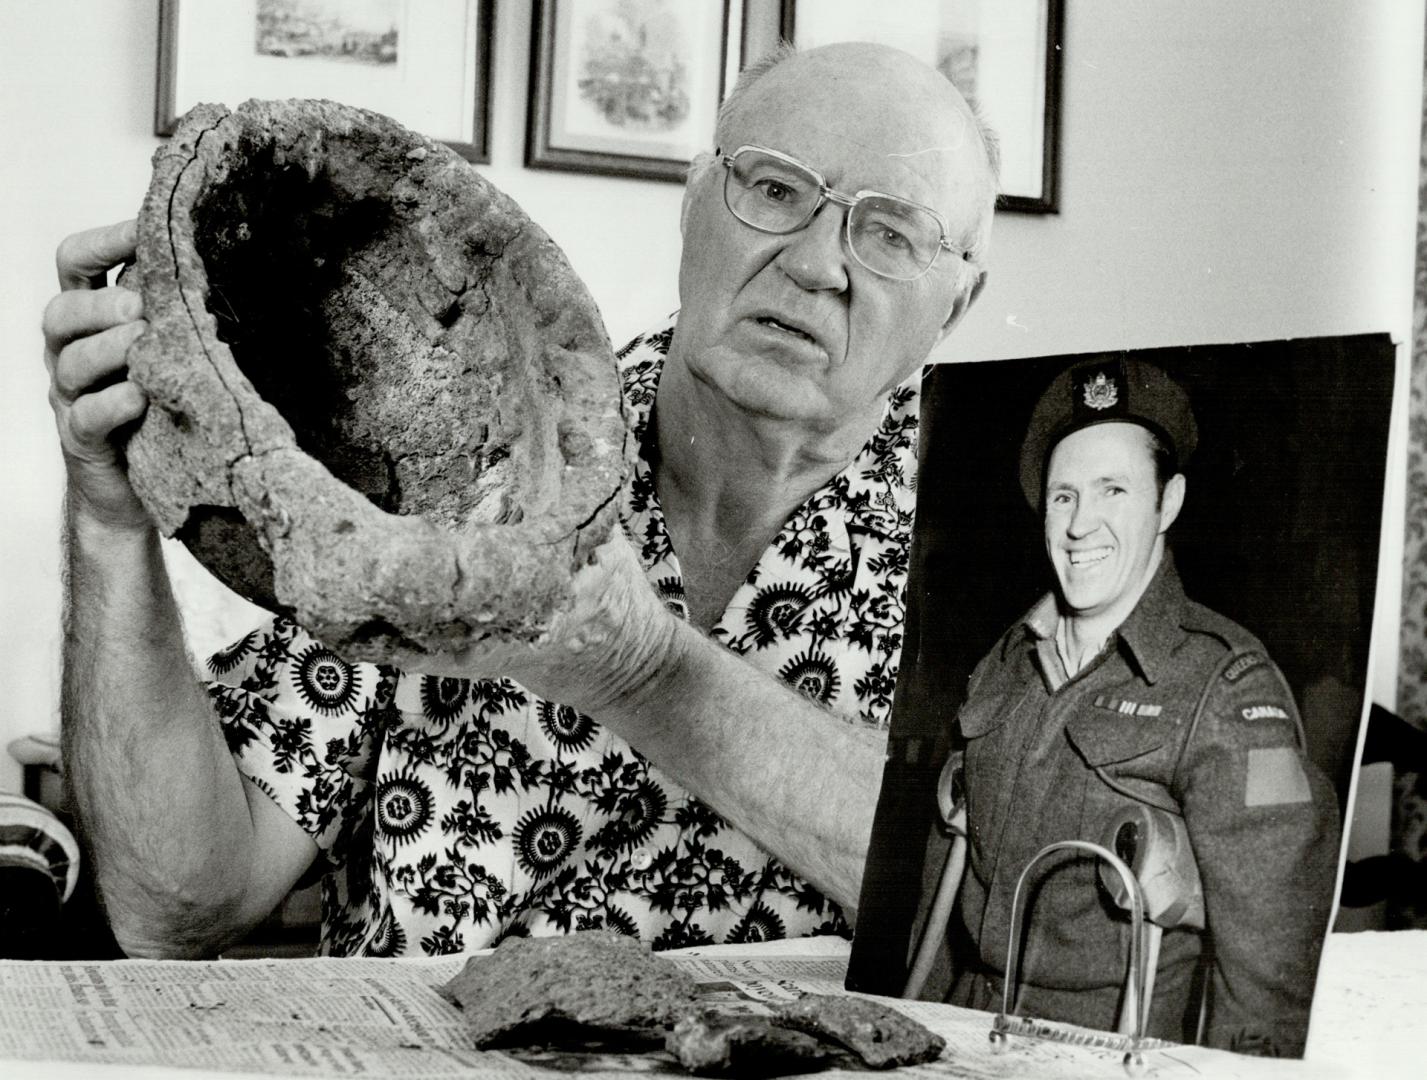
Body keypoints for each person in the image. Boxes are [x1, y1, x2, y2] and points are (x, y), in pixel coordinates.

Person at [41, 43, 998, 958]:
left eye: (890, 234)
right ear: (697, 199)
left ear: (956, 300)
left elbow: (1017, 905)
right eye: (777, 190)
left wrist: (639, 668)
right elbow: (177, 907)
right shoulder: (455, 431)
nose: (818, 262)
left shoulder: (1024, 536)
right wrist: (107, 522)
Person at [946, 357, 1339, 1056]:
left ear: (1168, 502)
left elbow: (1267, 978)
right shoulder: (1003, 666)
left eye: (1113, 490)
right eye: (1062, 496)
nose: (1079, 524)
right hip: (962, 1029)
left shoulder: (1225, 687)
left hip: (1104, 1052)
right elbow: (936, 904)